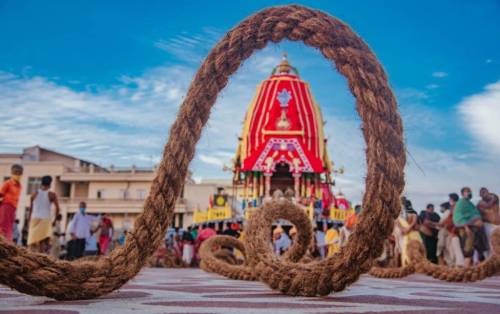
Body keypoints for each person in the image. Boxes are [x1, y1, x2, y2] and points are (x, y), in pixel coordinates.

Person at [452, 188, 488, 266]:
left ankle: (479, 267)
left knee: (479, 249)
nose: (469, 192)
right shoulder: (461, 203)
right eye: (467, 191)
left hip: (476, 229)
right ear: (462, 193)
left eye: (470, 191)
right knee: (468, 249)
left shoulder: (470, 204)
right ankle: (466, 269)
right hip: (467, 229)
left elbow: (475, 214)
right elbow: (458, 216)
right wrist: (466, 227)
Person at [27, 175, 60, 253]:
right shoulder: (52, 194)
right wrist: (54, 220)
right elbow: (58, 208)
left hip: (34, 218)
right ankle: (41, 258)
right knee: (42, 242)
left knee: (31, 242)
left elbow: (31, 209)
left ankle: (29, 258)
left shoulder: (34, 194)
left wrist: (29, 220)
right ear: (50, 184)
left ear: (41, 183)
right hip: (45, 219)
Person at [0, 164, 23, 241]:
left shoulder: (20, 186)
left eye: (19, 173)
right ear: (12, 173)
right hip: (5, 206)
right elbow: (0, 194)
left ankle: (7, 242)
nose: (18, 175)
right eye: (16, 172)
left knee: (10, 227)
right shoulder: (8, 183)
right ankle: (3, 241)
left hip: (13, 208)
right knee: (3, 226)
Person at [397, 199, 423, 266]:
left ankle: (406, 264)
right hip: (411, 233)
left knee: (406, 249)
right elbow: (414, 223)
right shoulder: (412, 213)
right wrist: (406, 229)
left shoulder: (402, 214)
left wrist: (403, 229)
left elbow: (398, 222)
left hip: (406, 234)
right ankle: (414, 265)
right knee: (414, 249)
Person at [477, 187, 500, 254]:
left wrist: (493, 197)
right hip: (488, 225)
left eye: (486, 192)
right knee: (491, 243)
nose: (485, 194)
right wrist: (493, 197)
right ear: (480, 195)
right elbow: (488, 206)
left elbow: (496, 198)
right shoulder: (480, 203)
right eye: (482, 193)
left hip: (498, 225)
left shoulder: (495, 202)